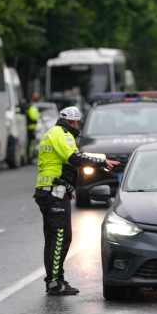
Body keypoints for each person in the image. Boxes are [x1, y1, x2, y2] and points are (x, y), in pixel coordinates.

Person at [34, 106, 119, 295]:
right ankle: (55, 282)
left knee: (53, 239)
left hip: (50, 191)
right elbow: (74, 158)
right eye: (77, 123)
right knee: (60, 239)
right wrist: (102, 162)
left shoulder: (52, 133)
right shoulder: (62, 134)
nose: (78, 126)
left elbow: (58, 165)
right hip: (54, 193)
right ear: (73, 122)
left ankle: (55, 280)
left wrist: (68, 187)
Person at [26, 92, 41, 162]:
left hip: (27, 128)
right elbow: (34, 116)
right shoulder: (32, 108)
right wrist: (39, 114)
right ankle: (30, 157)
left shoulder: (26, 107)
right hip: (31, 128)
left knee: (29, 143)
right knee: (31, 144)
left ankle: (29, 156)